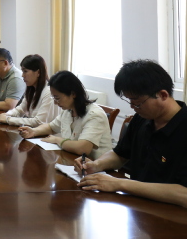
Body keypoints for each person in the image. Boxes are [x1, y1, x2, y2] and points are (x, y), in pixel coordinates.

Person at [74, 60, 187, 208]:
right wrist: (96, 165)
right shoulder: (142, 119)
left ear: (163, 95)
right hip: (137, 206)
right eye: (130, 102)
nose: (133, 107)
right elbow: (120, 154)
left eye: (137, 103)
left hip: (171, 214)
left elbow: (184, 194)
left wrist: (120, 184)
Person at [18, 70, 112, 159]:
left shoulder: (95, 115)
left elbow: (83, 148)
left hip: (97, 166)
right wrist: (33, 131)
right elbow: (51, 127)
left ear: (73, 94)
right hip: (74, 161)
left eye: (57, 98)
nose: (55, 103)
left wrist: (57, 140)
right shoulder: (68, 110)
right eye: (54, 98)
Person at [0, 55, 60, 127]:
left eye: (25, 71)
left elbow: (39, 122)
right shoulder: (32, 90)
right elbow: (20, 110)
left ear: (38, 72)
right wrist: (7, 114)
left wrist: (8, 119)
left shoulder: (48, 92)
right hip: (32, 132)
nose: (22, 75)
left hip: (45, 133)